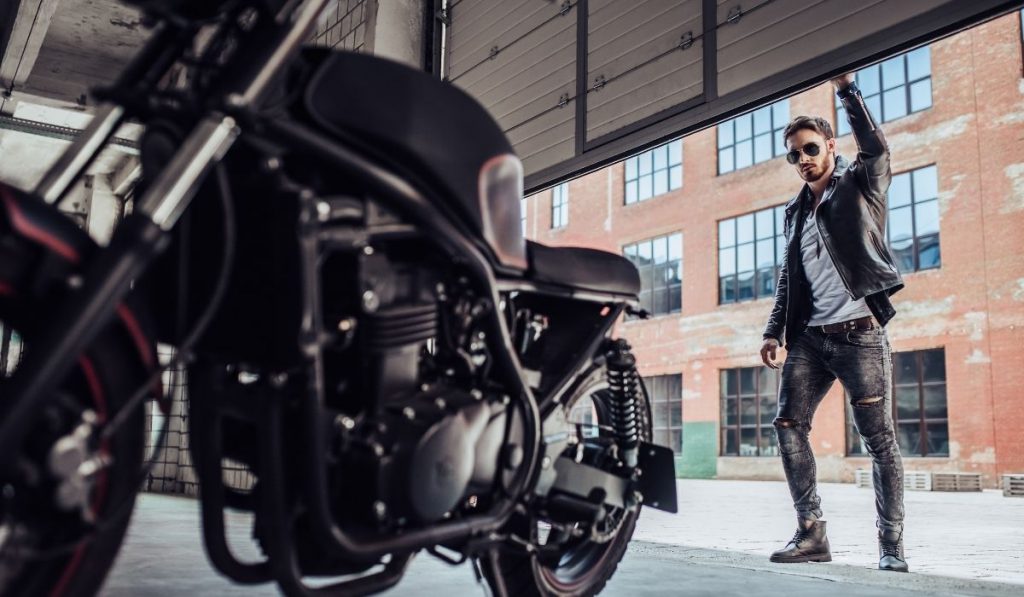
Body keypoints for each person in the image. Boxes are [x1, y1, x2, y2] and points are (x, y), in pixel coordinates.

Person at [759, 73, 908, 572]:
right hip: (809, 339)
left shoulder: (861, 184)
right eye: (794, 155)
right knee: (787, 425)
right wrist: (773, 330)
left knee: (879, 440)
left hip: (861, 335)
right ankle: (811, 533)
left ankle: (890, 546)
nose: (802, 160)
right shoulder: (794, 211)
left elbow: (876, 147)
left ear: (828, 147)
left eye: (809, 149)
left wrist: (848, 91)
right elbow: (789, 276)